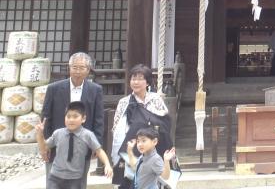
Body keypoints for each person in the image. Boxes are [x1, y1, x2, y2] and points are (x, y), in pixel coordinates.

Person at [40, 52, 104, 189]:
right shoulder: (54, 88)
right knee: (53, 182)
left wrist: (96, 144)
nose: (77, 71)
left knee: (79, 183)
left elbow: (98, 119)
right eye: (74, 67)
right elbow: (46, 117)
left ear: (88, 70)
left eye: (81, 68)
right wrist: (45, 145)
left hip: (83, 145)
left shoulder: (95, 90)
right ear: (69, 68)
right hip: (58, 143)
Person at [111, 64, 172, 189]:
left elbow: (165, 123)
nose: (136, 82)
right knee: (132, 180)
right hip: (134, 146)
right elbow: (117, 129)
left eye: (140, 79)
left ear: (147, 82)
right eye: (133, 78)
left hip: (156, 147)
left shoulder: (156, 99)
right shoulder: (124, 102)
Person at [35, 101, 112, 189]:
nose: (71, 120)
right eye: (68, 116)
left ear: (83, 119)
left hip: (75, 178)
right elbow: (44, 147)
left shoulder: (87, 135)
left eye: (75, 116)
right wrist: (40, 134)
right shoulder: (58, 133)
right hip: (55, 176)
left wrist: (107, 164)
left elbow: (99, 150)